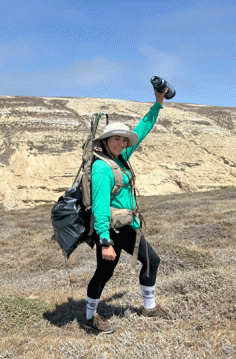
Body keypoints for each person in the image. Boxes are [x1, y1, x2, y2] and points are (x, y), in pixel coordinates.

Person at [84, 88, 174, 334]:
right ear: (105, 140)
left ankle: (149, 307)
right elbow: (101, 207)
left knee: (150, 261)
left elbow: (141, 131)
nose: (122, 143)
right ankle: (90, 317)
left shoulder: (120, 157)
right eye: (117, 139)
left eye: (124, 140)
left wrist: (157, 104)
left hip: (126, 226)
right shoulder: (102, 168)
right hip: (111, 229)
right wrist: (104, 241)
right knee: (104, 271)